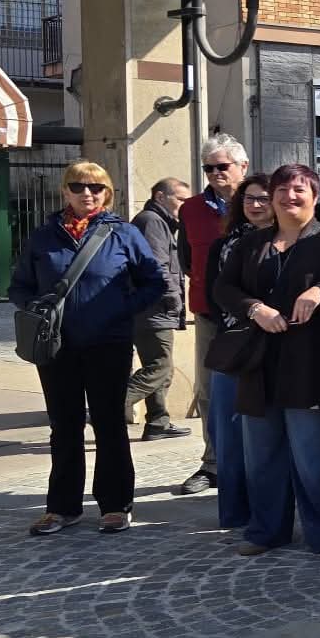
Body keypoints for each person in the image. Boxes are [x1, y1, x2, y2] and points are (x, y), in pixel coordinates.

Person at [13, 161, 167, 536]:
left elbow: (154, 282)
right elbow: (19, 285)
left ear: (107, 194)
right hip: (57, 346)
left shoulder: (123, 234)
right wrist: (37, 310)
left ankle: (115, 505)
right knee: (64, 425)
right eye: (79, 186)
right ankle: (62, 508)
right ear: (65, 190)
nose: (87, 194)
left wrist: (119, 310)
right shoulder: (44, 236)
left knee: (109, 423)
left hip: (108, 344)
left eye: (96, 188)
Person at [215, 165, 320, 557]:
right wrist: (254, 308)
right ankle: (266, 530)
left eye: (299, 190)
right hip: (258, 364)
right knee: (262, 456)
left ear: (315, 196)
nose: (289, 197)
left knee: (315, 456)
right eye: (282, 190)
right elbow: (223, 288)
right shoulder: (252, 243)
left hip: (312, 364)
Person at [174, 134, 248, 495]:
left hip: (253, 315)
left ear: (243, 167)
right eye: (209, 168)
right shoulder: (190, 209)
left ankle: (253, 461)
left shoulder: (261, 201)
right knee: (209, 392)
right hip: (209, 314)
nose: (216, 173)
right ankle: (213, 463)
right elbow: (187, 261)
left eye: (223, 166)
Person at [203, 173, 274, 533]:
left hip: (275, 346)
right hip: (234, 344)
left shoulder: (288, 241)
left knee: (264, 436)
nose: (256, 205)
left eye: (264, 198)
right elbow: (215, 293)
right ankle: (233, 514)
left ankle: (269, 512)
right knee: (227, 433)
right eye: (249, 199)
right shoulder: (224, 244)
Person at [125, 176, 191, 442]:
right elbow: (157, 267)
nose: (184, 205)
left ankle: (157, 422)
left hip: (153, 307)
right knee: (160, 367)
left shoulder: (159, 221)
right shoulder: (151, 221)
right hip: (152, 308)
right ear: (160, 197)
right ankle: (108, 403)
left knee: (161, 366)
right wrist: (173, 299)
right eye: (180, 199)